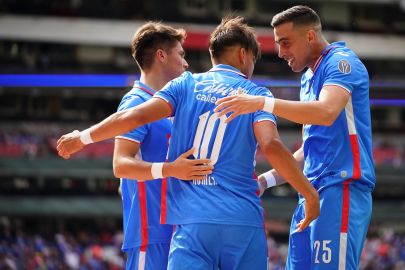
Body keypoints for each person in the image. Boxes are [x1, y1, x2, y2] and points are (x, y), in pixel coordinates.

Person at [57, 16, 320, 270]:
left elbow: (133, 117)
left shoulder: (186, 85)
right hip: (241, 220)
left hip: (191, 222)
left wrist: (83, 138)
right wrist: (308, 193)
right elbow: (271, 145)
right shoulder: (257, 94)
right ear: (244, 55)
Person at [214, 5, 376, 270]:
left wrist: (262, 102)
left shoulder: (341, 62)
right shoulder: (308, 77)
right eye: (278, 44)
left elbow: (325, 112)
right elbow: (307, 150)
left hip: (340, 189)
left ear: (310, 36)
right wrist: (265, 181)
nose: (280, 52)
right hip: (310, 193)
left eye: (285, 42)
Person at [110, 22, 214, 270]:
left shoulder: (169, 108)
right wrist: (169, 170)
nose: (186, 63)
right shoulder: (135, 103)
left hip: (178, 229)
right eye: (181, 54)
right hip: (152, 234)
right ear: (161, 56)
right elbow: (120, 165)